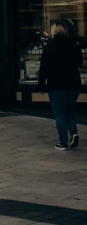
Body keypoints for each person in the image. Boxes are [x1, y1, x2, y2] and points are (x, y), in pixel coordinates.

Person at [38, 21, 83, 150]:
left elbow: (43, 68)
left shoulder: (49, 47)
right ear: (65, 30)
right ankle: (73, 132)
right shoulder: (73, 45)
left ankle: (63, 143)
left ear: (53, 31)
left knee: (60, 113)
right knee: (69, 109)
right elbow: (79, 62)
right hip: (73, 84)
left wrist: (41, 86)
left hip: (56, 85)